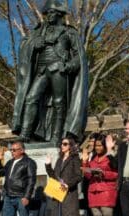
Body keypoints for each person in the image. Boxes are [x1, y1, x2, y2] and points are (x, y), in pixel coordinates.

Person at [12, 0, 88, 144]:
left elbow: (80, 57)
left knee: (59, 103)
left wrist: (67, 66)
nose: (48, 16)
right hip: (41, 70)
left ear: (59, 14)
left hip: (58, 69)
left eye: (51, 12)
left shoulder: (69, 32)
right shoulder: (38, 31)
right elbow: (25, 44)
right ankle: (25, 134)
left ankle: (55, 137)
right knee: (30, 98)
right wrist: (34, 44)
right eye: (47, 13)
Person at [0, 141, 37, 216]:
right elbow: (0, 172)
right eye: (11, 150)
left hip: (21, 195)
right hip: (8, 195)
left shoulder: (29, 162)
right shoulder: (10, 162)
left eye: (14, 150)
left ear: (22, 150)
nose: (12, 152)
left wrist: (27, 196)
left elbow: (31, 181)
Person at [81, 134, 118, 216]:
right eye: (96, 146)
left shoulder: (110, 157)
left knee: (107, 215)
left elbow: (117, 174)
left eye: (100, 146)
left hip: (107, 189)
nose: (97, 148)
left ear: (105, 146)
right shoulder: (93, 159)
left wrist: (104, 174)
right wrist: (85, 162)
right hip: (93, 189)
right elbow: (87, 175)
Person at [45, 137, 82, 216]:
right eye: (62, 144)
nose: (62, 146)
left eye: (65, 144)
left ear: (70, 146)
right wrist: (48, 165)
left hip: (69, 192)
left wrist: (68, 184)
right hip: (58, 191)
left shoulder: (74, 159)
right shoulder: (60, 159)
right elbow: (54, 176)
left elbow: (78, 176)